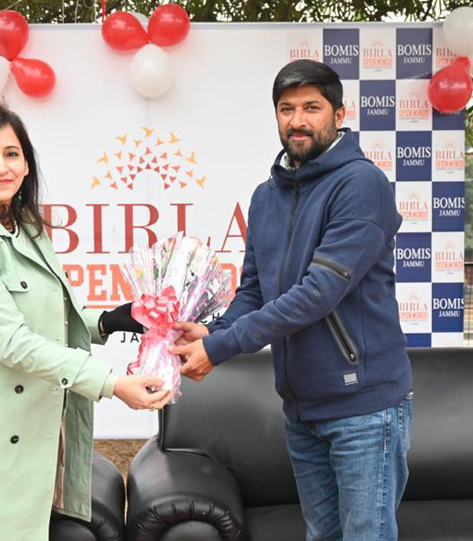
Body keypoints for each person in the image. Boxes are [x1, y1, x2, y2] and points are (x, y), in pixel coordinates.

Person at [172, 59, 413, 540]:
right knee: (320, 534)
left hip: (363, 408)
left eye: (311, 108)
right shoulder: (266, 196)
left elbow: (317, 294)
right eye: (286, 109)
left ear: (338, 115)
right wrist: (214, 331)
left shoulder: (361, 185)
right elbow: (255, 290)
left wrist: (220, 348)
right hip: (301, 409)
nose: (297, 120)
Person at [0, 104, 169, 541]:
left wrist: (114, 319)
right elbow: (12, 342)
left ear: (27, 164)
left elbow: (50, 315)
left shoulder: (26, 226)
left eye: (11, 154)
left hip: (30, 424)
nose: (1, 167)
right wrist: (112, 384)